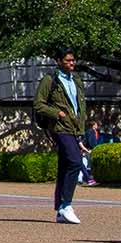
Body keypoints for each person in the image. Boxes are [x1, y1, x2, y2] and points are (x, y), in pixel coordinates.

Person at [34, 48, 88, 226]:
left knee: (65, 165)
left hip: (73, 128)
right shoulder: (51, 79)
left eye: (73, 60)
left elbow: (79, 108)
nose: (72, 63)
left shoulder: (77, 80)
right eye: (68, 60)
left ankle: (60, 209)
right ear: (59, 61)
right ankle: (66, 204)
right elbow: (38, 105)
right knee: (75, 162)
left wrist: (80, 135)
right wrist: (57, 113)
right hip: (59, 127)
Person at [82, 120, 103, 186]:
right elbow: (91, 141)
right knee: (89, 164)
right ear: (93, 125)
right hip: (89, 149)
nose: (97, 126)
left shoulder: (90, 131)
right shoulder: (91, 132)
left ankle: (81, 179)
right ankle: (89, 179)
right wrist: (94, 147)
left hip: (86, 149)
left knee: (84, 163)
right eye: (96, 124)